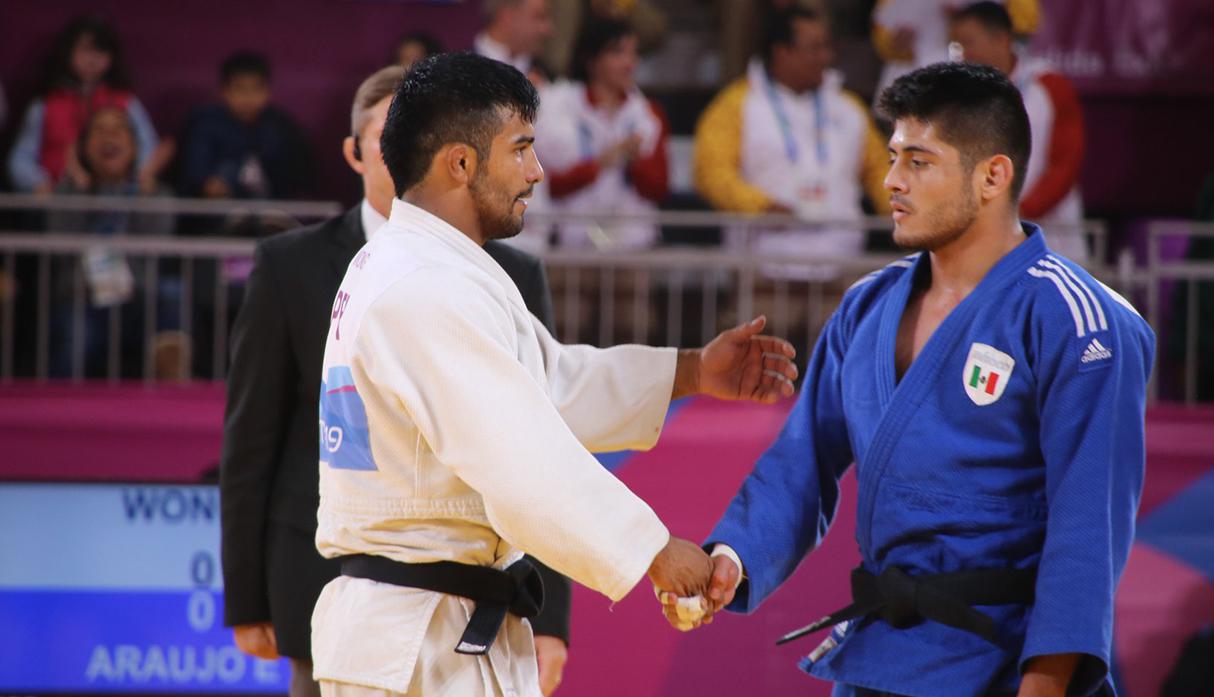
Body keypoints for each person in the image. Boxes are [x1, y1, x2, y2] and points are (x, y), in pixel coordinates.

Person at [310, 52, 797, 697]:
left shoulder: (419, 265)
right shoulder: (424, 286)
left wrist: (691, 371)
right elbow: (520, 459)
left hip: (429, 628)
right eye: (521, 149)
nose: (537, 172)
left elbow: (548, 387)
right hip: (418, 639)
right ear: (460, 163)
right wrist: (653, 551)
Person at [663, 62, 1154, 697]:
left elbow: (1088, 529)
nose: (891, 181)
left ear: (992, 176)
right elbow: (800, 465)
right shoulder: (867, 307)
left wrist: (1045, 685)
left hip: (1003, 661)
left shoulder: (1080, 321)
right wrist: (732, 557)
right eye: (893, 157)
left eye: (918, 162)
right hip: (882, 655)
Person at [218, 65, 578, 697]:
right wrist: (245, 596)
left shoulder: (513, 274)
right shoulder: (290, 267)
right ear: (355, 153)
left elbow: (544, 449)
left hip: (478, 594)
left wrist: (551, 616)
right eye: (383, 139)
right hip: (326, 577)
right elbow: (251, 445)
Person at [694, 6, 890, 278]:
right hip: (764, 267)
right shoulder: (735, 104)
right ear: (782, 52)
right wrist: (761, 207)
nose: (826, 57)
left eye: (827, 47)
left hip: (841, 266)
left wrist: (901, 208)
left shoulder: (848, 107)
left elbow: (880, 171)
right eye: (815, 48)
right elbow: (712, 172)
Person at [45, 105, 181, 379]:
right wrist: (80, 194)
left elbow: (158, 238)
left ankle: (173, 381)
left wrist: (144, 193)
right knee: (75, 337)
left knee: (175, 291)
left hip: (138, 301)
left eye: (119, 129)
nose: (110, 136)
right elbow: (62, 242)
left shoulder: (153, 191)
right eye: (100, 130)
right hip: (84, 301)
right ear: (83, 147)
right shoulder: (68, 191)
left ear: (133, 146)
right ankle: (57, 412)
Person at [950, 1, 1087, 261]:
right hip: (988, 236)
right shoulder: (963, 97)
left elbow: (1065, 165)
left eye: (968, 42)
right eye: (957, 45)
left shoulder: (1049, 86)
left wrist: (1019, 213)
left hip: (1051, 236)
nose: (962, 54)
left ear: (1001, 39)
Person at [537, 18, 669, 250]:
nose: (630, 63)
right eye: (618, 53)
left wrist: (635, 162)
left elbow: (658, 189)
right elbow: (547, 186)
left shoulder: (648, 114)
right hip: (572, 248)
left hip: (633, 246)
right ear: (591, 59)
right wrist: (599, 164)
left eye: (634, 53)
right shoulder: (558, 104)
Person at [7, 15, 160, 194]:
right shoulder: (44, 106)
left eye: (100, 51)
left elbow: (149, 148)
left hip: (119, 198)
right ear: (68, 52)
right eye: (85, 50)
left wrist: (136, 181)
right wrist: (38, 183)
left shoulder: (127, 103)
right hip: (58, 199)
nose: (92, 59)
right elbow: (21, 159)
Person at [178, 51, 310, 200]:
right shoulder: (205, 125)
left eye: (256, 89)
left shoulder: (281, 128)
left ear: (268, 92)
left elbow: (298, 179)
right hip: (216, 211)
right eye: (240, 89)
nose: (248, 97)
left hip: (272, 209)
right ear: (224, 91)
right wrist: (209, 184)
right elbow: (196, 173)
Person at [871, 0, 1038, 100]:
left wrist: (965, 12)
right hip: (921, 77)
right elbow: (883, 35)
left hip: (988, 75)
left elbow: (1028, 21)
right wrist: (894, 41)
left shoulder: (1039, 85)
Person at [474, 0, 554, 75]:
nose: (547, 29)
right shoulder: (463, 71)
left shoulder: (553, 84)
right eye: (540, 16)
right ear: (507, 16)